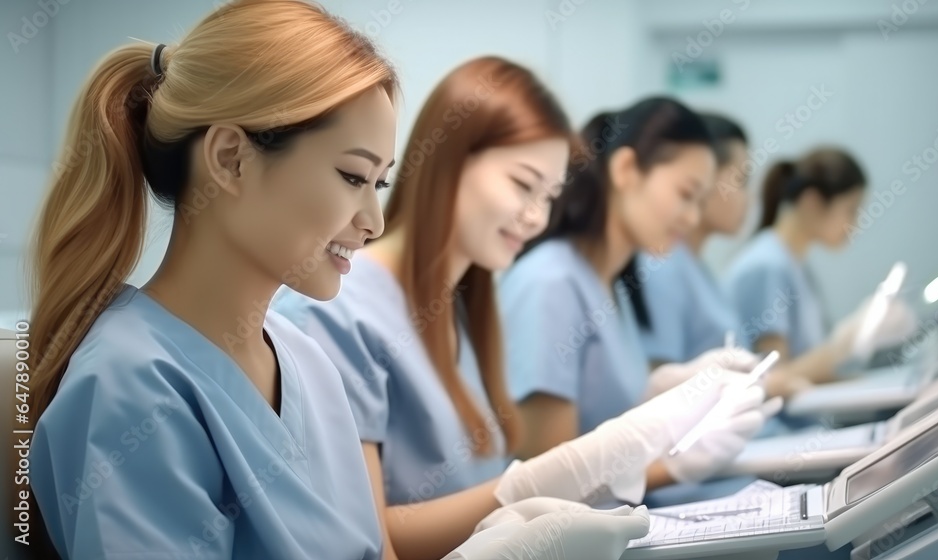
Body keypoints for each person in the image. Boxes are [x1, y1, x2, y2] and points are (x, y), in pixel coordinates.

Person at [19, 3, 649, 559]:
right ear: (231, 158)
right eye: (352, 177)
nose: (373, 221)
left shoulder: (307, 364)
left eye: (380, 184)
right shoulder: (129, 388)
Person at [273, 61, 770, 560]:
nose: (536, 216)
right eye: (522, 184)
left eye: (549, 195)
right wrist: (567, 473)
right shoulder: (337, 308)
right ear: (450, 160)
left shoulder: (461, 304)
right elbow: (378, 540)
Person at [498, 98, 781, 493]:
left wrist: (665, 395)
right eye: (685, 194)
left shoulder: (611, 284)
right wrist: (676, 465)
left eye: (701, 202)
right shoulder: (551, 284)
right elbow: (546, 485)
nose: (692, 219)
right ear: (626, 169)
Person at [635, 114, 808, 398]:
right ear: (704, 176)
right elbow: (658, 393)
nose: (750, 199)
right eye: (740, 181)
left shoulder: (697, 267)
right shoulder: (661, 266)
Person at [725, 148, 915, 388]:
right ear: (812, 202)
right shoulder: (767, 267)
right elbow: (774, 381)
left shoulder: (795, 264)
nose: (855, 224)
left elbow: (806, 371)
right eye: (851, 210)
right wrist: (845, 344)